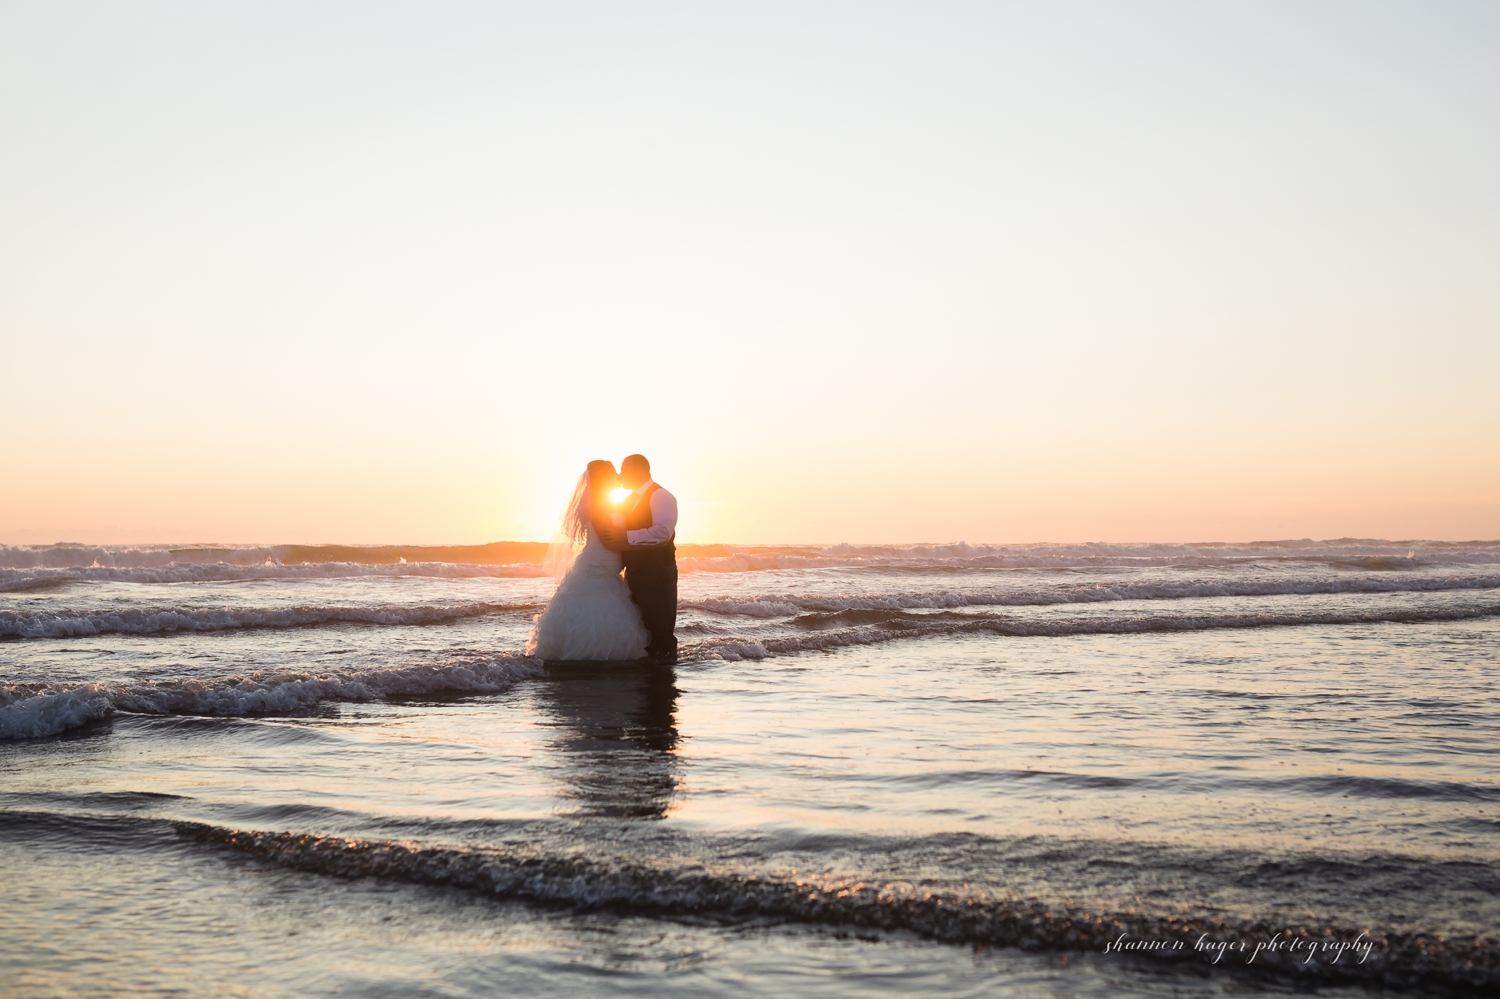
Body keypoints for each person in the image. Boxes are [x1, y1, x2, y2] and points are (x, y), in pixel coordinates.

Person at [525, 460, 650, 661]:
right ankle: (588, 657)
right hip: (595, 567)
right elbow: (608, 540)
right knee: (590, 615)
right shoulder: (597, 506)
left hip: (608, 571)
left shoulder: (607, 503)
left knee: (604, 616)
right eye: (613, 473)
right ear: (603, 478)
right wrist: (638, 544)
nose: (618, 476)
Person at [594, 454, 679, 664]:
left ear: (638, 471)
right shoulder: (629, 500)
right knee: (643, 626)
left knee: (660, 626)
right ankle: (650, 675)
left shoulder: (660, 496)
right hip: (635, 572)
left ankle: (665, 679)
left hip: (658, 572)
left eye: (624, 470)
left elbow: (662, 533)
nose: (621, 475)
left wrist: (625, 537)